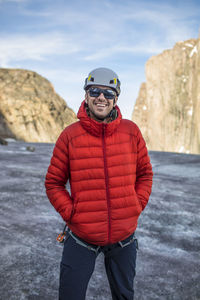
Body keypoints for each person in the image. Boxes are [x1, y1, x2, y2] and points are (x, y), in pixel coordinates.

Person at [45, 67, 153, 300]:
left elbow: (145, 174)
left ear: (116, 98)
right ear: (86, 96)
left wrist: (136, 205)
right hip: (82, 236)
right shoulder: (70, 136)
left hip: (124, 238)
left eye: (108, 93)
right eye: (94, 91)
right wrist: (72, 213)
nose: (101, 97)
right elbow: (54, 182)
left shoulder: (131, 132)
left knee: (124, 295)